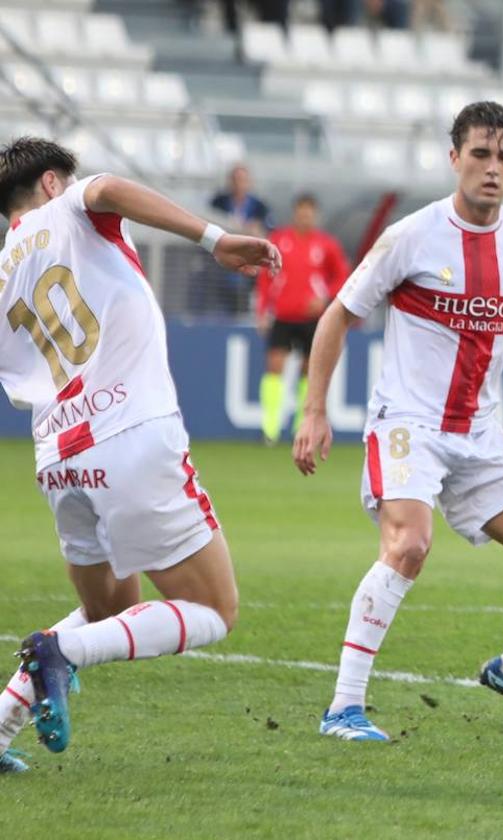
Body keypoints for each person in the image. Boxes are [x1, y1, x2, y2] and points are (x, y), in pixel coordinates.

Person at [292, 102, 503, 741]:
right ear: (453, 158)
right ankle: (343, 708)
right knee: (408, 545)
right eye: (479, 154)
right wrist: (314, 409)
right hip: (408, 424)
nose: (492, 168)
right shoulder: (411, 237)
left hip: (480, 435)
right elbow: (337, 316)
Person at [0, 137, 281, 772]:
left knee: (109, 612)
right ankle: (59, 653)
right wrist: (216, 238)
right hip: (129, 431)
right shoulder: (71, 205)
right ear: (50, 183)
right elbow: (106, 191)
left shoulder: (4, 269)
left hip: (59, 458)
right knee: (214, 608)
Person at [257, 193, 349, 445]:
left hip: (312, 318)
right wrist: (262, 310)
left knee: (308, 371)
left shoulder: (326, 245)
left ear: (314, 215)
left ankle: (302, 426)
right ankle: (270, 428)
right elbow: (266, 278)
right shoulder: (279, 240)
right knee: (275, 365)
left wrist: (325, 298)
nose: (305, 216)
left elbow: (341, 275)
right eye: (301, 211)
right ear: (295, 212)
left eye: (309, 212)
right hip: (283, 315)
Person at [208, 164, 273, 314]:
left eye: (243, 180)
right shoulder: (218, 202)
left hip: (247, 262)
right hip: (220, 261)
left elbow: (267, 231)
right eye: (236, 179)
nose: (239, 184)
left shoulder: (259, 206)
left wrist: (255, 229)